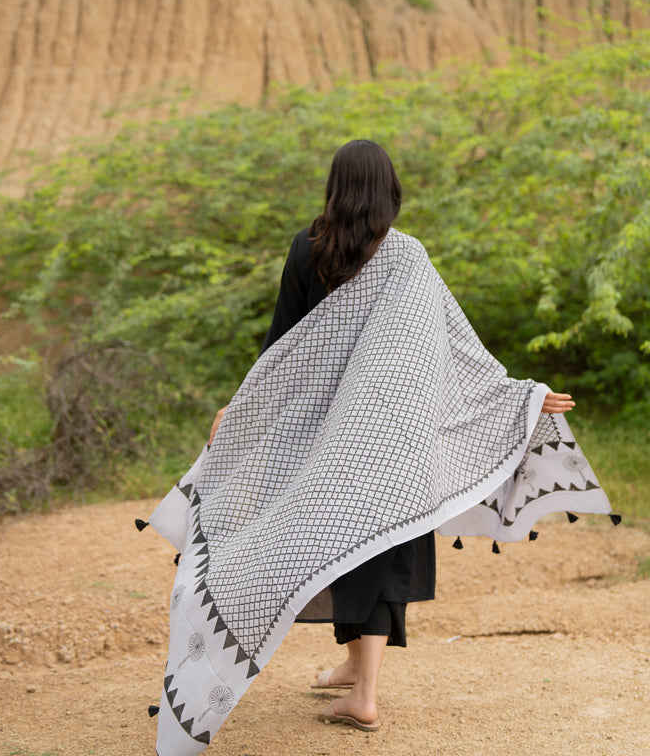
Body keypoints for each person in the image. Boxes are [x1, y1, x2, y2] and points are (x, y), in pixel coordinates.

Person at [205, 139, 576, 732]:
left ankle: (364, 695)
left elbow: (282, 347)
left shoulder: (309, 250)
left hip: (331, 434)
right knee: (381, 546)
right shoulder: (407, 256)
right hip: (398, 437)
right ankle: (358, 675)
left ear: (335, 186)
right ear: (389, 190)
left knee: (338, 542)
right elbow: (454, 346)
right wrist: (521, 395)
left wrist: (239, 406)